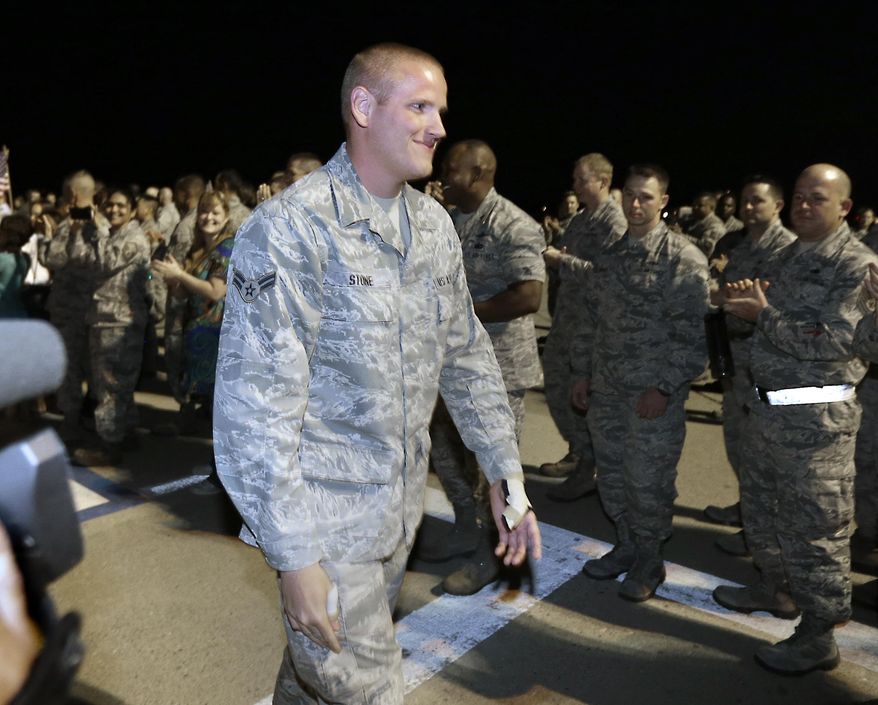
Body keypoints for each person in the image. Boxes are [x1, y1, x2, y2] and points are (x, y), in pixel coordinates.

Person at [212, 43, 541, 705]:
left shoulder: (433, 226)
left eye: (440, 110)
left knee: (314, 676)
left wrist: (506, 474)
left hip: (396, 514)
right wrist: (294, 555)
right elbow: (254, 411)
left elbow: (467, 355)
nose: (438, 127)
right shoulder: (291, 228)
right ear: (363, 107)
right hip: (323, 524)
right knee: (365, 685)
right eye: (420, 107)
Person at [715, 163, 877, 674]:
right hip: (766, 411)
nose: (804, 206)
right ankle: (776, 590)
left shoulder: (856, 265)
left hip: (816, 424)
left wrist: (763, 315)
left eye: (817, 198)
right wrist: (739, 310)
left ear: (844, 208)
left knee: (816, 532)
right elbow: (759, 331)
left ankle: (818, 636)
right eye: (800, 196)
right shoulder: (784, 257)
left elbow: (839, 341)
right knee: (763, 513)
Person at [571, 163, 709, 602]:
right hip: (607, 391)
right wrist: (582, 373)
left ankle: (650, 560)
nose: (635, 203)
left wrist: (664, 388)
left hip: (651, 396)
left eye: (645, 196)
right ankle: (627, 545)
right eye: (629, 194)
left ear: (662, 202)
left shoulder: (682, 258)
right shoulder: (610, 256)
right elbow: (591, 322)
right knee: (612, 476)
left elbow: (694, 336)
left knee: (647, 482)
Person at [417, 139, 544, 596]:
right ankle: (466, 527)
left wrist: (462, 313)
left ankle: (493, 552)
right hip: (449, 364)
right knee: (446, 453)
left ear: (478, 174)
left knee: (496, 469)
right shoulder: (449, 220)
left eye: (452, 169)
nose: (443, 175)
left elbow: (529, 296)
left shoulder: (514, 224)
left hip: (500, 368)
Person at [702, 177, 795, 557]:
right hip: (736, 364)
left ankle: (762, 531)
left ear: (778, 206)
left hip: (768, 368)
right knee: (738, 444)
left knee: (764, 455)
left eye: (758, 201)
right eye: (745, 201)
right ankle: (748, 510)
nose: (749, 207)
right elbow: (726, 300)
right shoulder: (740, 248)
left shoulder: (788, 250)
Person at [540, 153, 627, 497]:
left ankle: (589, 464)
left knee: (583, 394)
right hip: (568, 321)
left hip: (592, 326)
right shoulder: (580, 220)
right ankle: (579, 451)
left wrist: (563, 260)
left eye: (581, 179)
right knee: (557, 387)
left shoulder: (613, 223)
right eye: (575, 178)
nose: (574, 185)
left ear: (603, 182)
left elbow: (608, 276)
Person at [151, 190, 235, 468]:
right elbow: (183, 294)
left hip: (217, 336)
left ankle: (221, 468)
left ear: (226, 217)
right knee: (204, 401)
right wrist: (173, 280)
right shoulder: (199, 250)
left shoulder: (228, 248)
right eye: (204, 212)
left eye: (215, 213)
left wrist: (180, 275)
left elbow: (215, 291)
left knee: (219, 403)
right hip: (197, 334)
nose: (208, 217)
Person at [71, 187, 150, 466]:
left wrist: (100, 228)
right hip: (104, 318)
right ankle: (125, 434)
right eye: (109, 206)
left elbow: (106, 262)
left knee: (110, 385)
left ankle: (108, 446)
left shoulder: (134, 238)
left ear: (132, 210)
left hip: (119, 322)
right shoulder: (112, 235)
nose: (113, 210)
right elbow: (83, 263)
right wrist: (81, 231)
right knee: (117, 383)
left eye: (120, 205)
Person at [39, 170, 106, 443]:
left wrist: (48, 237)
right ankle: (92, 418)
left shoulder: (72, 226)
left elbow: (52, 260)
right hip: (96, 309)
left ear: (72, 194)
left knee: (70, 366)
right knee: (93, 365)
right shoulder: (104, 224)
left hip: (70, 310)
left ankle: (72, 420)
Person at [684, 191, 727, 259]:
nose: (695, 207)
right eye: (694, 205)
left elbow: (706, 249)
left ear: (712, 208)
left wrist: (682, 236)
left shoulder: (716, 225)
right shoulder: (692, 219)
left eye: (700, 205)